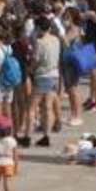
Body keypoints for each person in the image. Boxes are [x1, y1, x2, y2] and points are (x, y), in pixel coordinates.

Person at [29, 16, 62, 147]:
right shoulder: (56, 39)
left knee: (32, 108)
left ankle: (27, 134)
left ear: (38, 28)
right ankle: (46, 135)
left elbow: (36, 60)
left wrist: (30, 69)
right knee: (48, 107)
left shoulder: (40, 42)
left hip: (42, 75)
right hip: (54, 75)